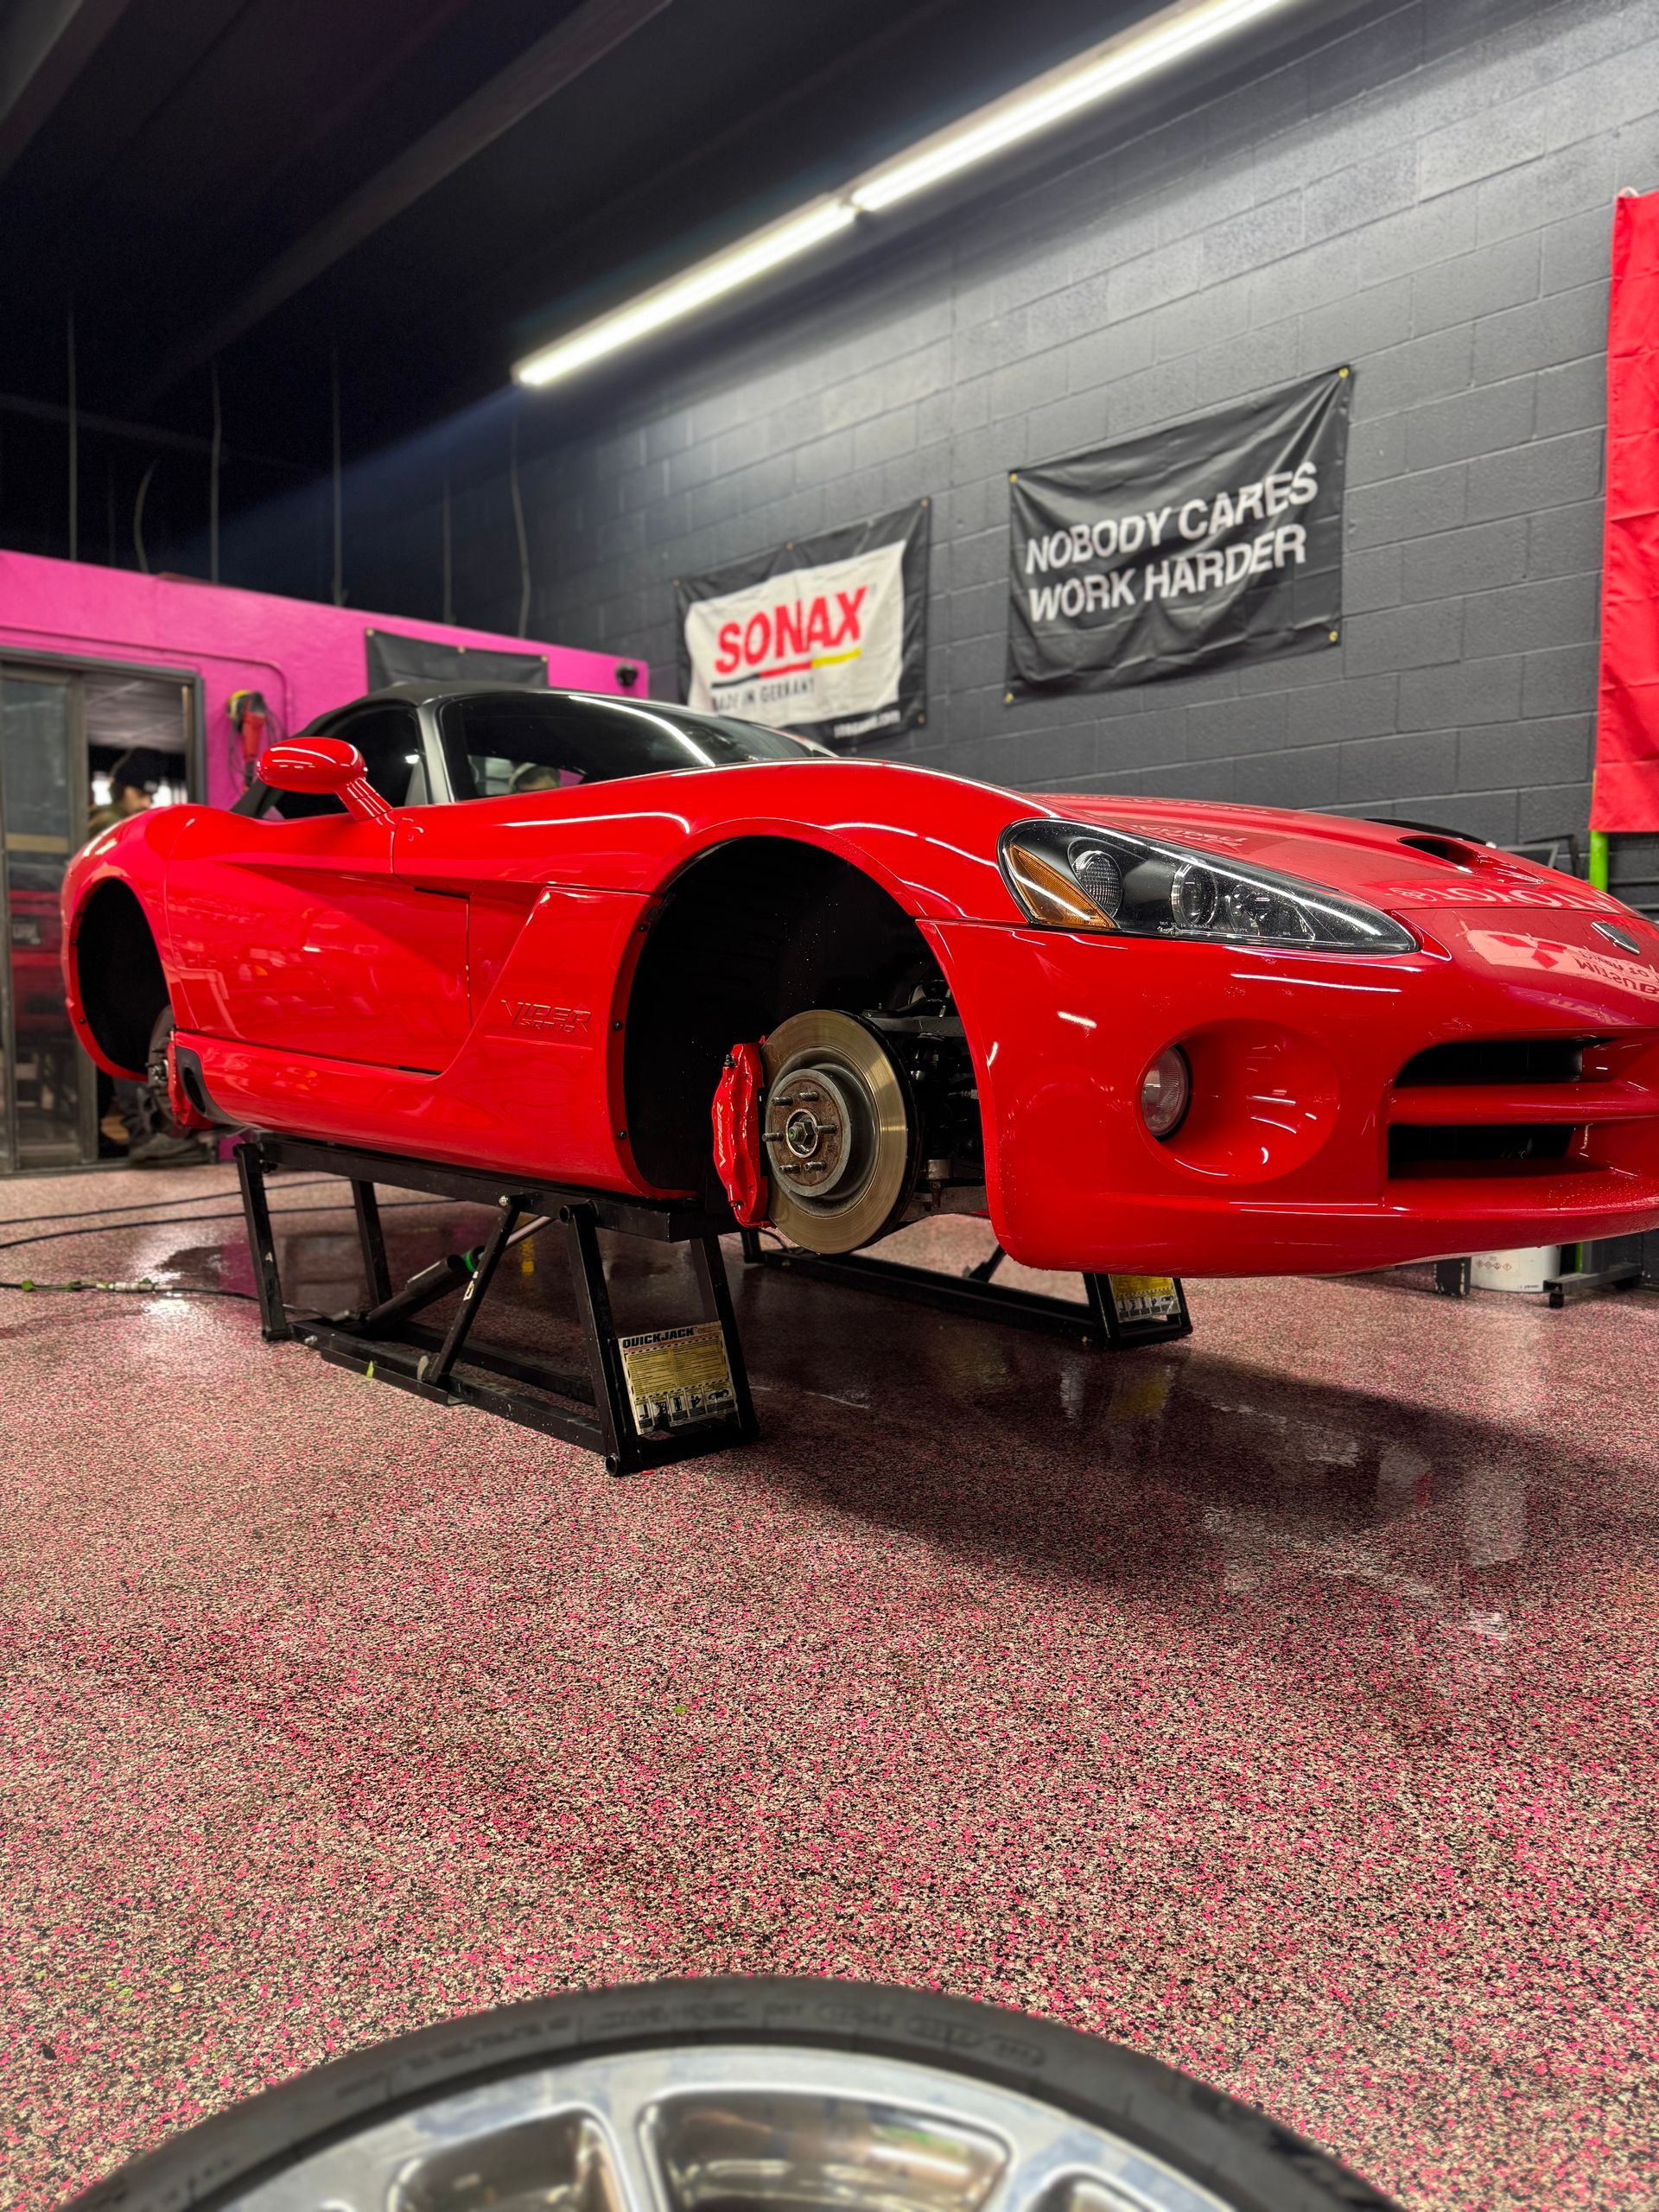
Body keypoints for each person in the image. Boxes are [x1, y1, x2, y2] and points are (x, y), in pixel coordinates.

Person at [84, 751, 208, 1167]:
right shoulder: (113, 826)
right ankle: (145, 1136)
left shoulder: (106, 824)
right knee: (132, 1040)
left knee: (130, 1039)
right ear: (127, 790)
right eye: (143, 793)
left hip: (116, 955)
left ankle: (144, 1134)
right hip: (121, 956)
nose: (147, 802)